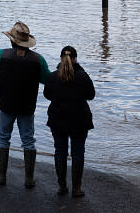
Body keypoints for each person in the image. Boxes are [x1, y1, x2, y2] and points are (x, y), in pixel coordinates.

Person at [0, 21, 50, 188]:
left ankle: (1, 176)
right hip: (27, 106)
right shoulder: (38, 60)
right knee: (28, 140)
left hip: (6, 104)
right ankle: (29, 179)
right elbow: (47, 79)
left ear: (12, 40)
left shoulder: (3, 55)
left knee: (3, 138)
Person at [44, 46, 95, 197]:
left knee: (60, 152)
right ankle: (77, 188)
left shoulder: (53, 77)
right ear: (75, 59)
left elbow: (47, 95)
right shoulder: (83, 76)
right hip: (80, 120)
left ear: (61, 59)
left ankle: (62, 186)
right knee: (78, 152)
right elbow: (91, 95)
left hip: (58, 119)